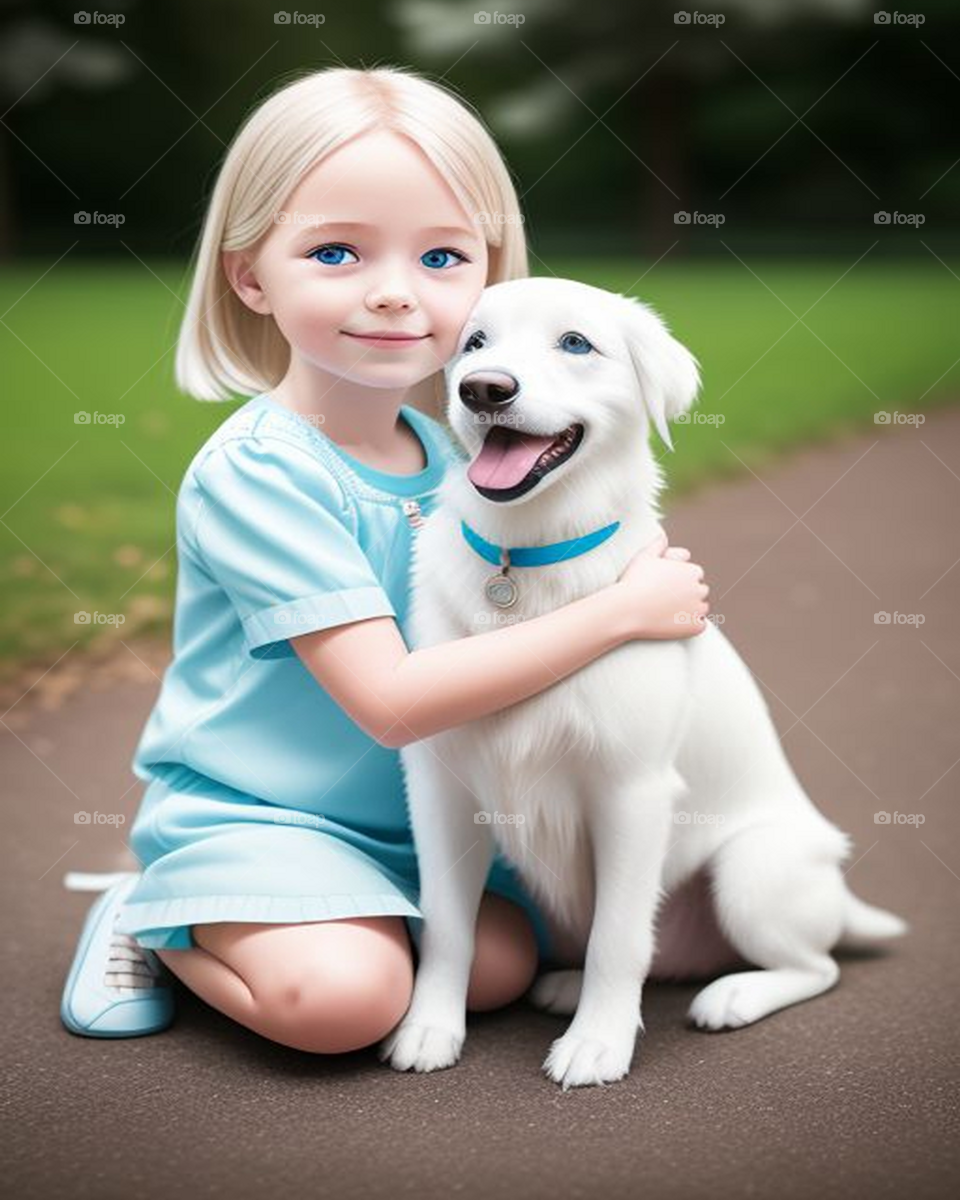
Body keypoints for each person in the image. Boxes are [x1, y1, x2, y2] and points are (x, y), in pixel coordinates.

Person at [60, 65, 710, 1052]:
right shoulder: (259, 473)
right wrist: (623, 611)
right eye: (335, 251)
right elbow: (394, 701)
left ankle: (334, 921)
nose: (397, 294)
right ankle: (149, 909)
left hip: (412, 822)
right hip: (267, 814)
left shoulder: (462, 457)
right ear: (249, 274)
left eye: (444, 257)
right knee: (345, 1004)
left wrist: (620, 566)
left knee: (499, 968)